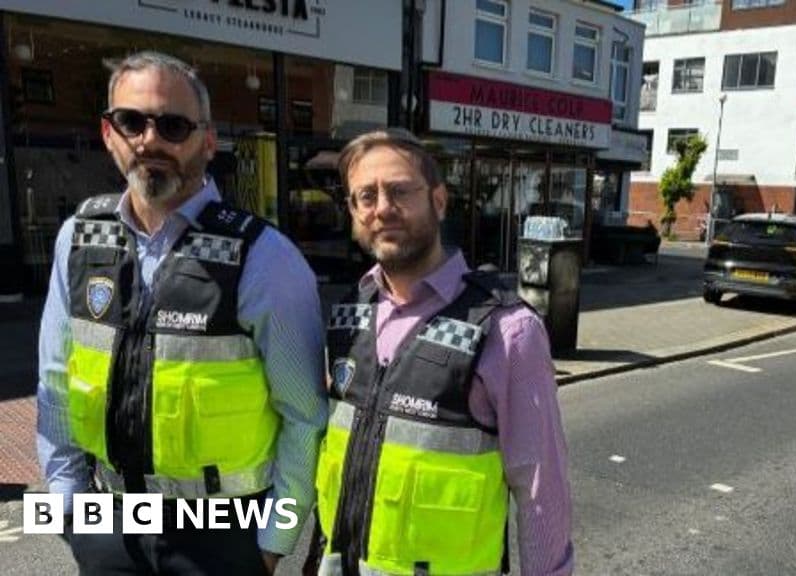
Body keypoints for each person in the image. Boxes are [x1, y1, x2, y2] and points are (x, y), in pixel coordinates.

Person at [36, 51, 327, 574]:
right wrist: (69, 511)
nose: (150, 140)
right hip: (110, 523)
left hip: (223, 534)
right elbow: (56, 384)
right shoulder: (77, 239)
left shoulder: (265, 258)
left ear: (208, 141)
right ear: (109, 134)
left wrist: (270, 546)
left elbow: (304, 416)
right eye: (131, 121)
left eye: (172, 125)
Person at [311, 129, 573, 575]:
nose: (383, 209)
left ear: (438, 199)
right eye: (365, 196)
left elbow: (540, 492)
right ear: (353, 212)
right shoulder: (348, 315)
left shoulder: (508, 330)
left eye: (399, 191)